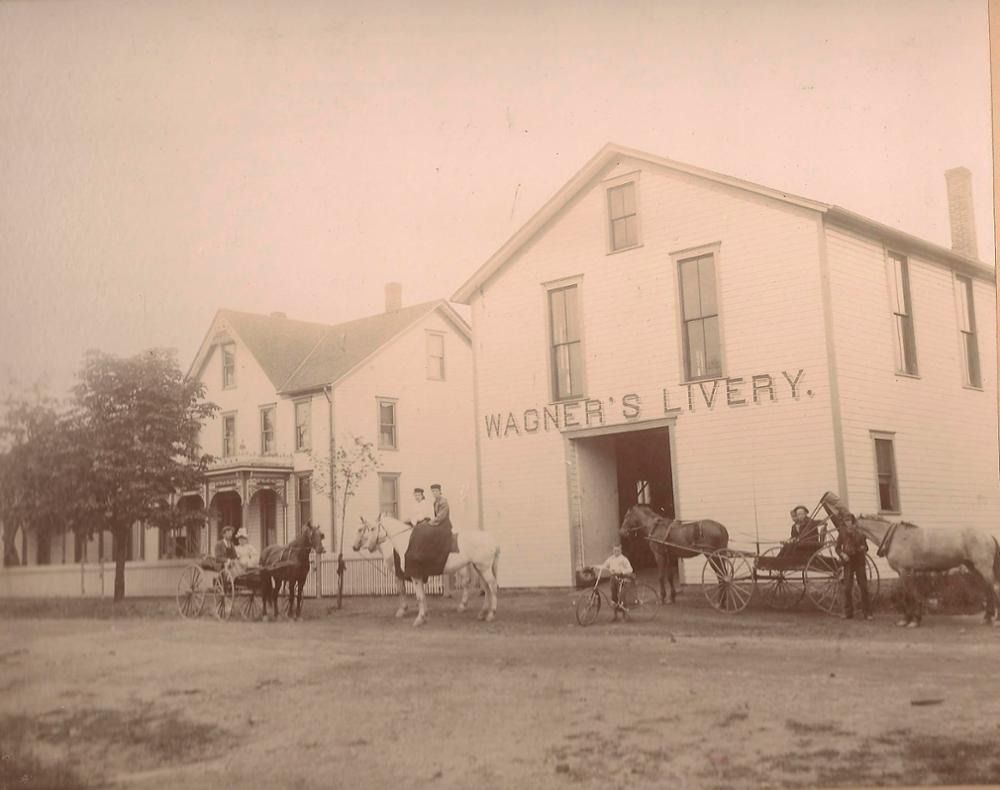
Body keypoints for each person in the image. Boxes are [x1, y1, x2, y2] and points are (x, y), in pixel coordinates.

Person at [836, 513, 873, 620]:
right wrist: (842, 554)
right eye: (845, 521)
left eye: (849, 520)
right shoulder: (842, 533)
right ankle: (848, 613)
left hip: (859, 561)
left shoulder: (860, 533)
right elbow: (837, 548)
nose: (847, 523)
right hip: (848, 562)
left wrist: (862, 548)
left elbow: (866, 547)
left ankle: (867, 613)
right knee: (847, 588)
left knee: (863, 587)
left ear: (853, 522)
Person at [596, 545, 635, 621]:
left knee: (622, 596)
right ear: (613, 551)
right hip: (613, 579)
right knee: (614, 597)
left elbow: (630, 569)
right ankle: (615, 616)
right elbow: (604, 566)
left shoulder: (624, 559)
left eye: (618, 551)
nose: (616, 552)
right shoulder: (611, 559)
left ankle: (624, 615)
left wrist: (622, 572)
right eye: (614, 551)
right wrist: (595, 566)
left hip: (622, 578)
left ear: (621, 551)